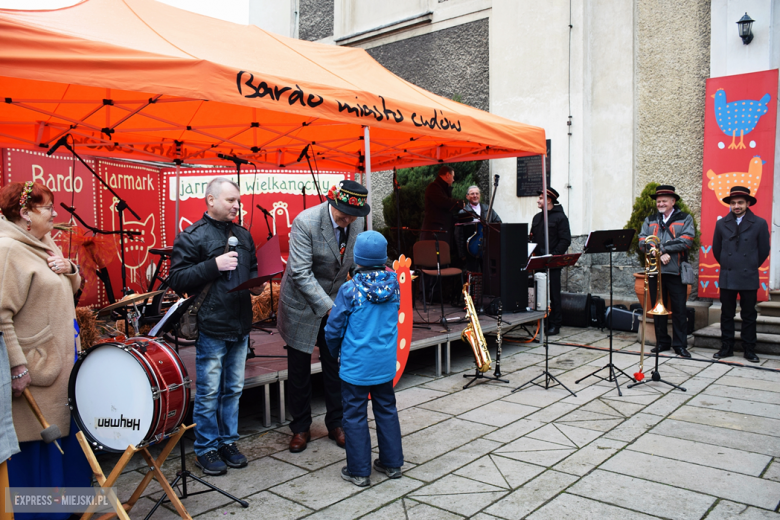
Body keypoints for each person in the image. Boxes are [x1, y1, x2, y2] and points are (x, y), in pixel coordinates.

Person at [0, 181, 91, 519]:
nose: (55, 214)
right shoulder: (8, 249)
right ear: (25, 214)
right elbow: (0, 315)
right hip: (36, 375)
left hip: (60, 370)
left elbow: (66, 288)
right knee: (39, 450)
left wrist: (73, 271)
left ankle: (71, 511)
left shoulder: (42, 242)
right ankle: (42, 516)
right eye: (47, 208)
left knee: (63, 442)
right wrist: (17, 366)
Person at [168, 177, 258, 476]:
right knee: (208, 392)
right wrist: (213, 265)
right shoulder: (191, 237)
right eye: (231, 200)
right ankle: (206, 448)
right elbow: (177, 279)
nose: (237, 205)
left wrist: (259, 282)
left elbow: (253, 268)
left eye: (238, 201)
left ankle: (228, 442)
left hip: (241, 322)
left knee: (233, 389)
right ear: (210, 200)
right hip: (211, 324)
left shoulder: (244, 235)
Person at [277, 180, 368, 453]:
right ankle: (301, 427)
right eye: (344, 215)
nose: (349, 220)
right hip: (302, 304)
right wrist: (331, 308)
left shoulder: (357, 222)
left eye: (354, 216)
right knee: (299, 371)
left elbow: (353, 265)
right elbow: (300, 273)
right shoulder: (305, 222)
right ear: (332, 203)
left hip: (335, 304)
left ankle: (336, 424)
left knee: (335, 366)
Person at [324, 231, 403, 487]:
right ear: (384, 257)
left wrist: (335, 352)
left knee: (354, 415)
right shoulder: (395, 284)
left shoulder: (350, 289)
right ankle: (392, 464)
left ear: (356, 259)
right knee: (387, 410)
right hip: (384, 364)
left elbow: (333, 329)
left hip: (356, 366)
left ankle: (359, 471)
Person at [712, 186, 770, 363]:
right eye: (733, 203)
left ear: (747, 203)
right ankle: (726, 347)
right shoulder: (721, 223)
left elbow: (763, 250)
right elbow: (716, 249)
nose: (736, 206)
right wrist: (729, 264)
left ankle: (749, 349)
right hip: (727, 275)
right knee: (726, 314)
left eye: (740, 203)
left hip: (748, 274)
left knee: (749, 314)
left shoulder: (759, 223)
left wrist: (750, 265)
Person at [638, 185, 695, 358]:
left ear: (673, 202)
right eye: (659, 201)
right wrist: (657, 252)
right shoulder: (650, 219)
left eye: (664, 201)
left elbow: (686, 241)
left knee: (679, 309)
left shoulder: (685, 218)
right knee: (658, 309)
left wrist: (662, 249)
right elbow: (642, 241)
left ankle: (680, 345)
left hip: (676, 271)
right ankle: (662, 342)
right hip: (656, 271)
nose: (661, 203)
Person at [529, 187, 571, 336]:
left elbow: (565, 240)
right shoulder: (537, 218)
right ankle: (543, 321)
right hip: (539, 261)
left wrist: (554, 255)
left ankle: (555, 323)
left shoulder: (560, 218)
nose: (538, 200)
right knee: (540, 293)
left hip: (553, 261)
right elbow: (533, 238)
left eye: (541, 198)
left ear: (548, 200)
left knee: (553, 293)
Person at [455, 185, 502, 272]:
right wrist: (462, 254)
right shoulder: (463, 212)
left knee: (488, 273)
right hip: (470, 250)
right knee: (473, 274)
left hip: (487, 248)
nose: (475, 196)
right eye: (472, 194)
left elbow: (498, 223)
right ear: (467, 196)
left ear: (480, 195)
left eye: (477, 193)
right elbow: (459, 235)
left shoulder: (488, 209)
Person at [420, 165, 465, 251]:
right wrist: (459, 203)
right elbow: (444, 202)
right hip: (434, 233)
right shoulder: (434, 187)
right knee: (433, 259)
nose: (453, 180)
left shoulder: (441, 189)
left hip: (441, 232)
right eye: (453, 176)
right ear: (447, 175)